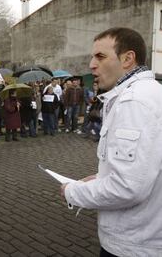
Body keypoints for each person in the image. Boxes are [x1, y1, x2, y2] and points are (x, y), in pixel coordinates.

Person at [61, 27, 162, 257]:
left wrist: (73, 192)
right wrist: (98, 179)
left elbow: (128, 187)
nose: (91, 65)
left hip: (132, 245)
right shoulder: (151, 93)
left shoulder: (133, 102)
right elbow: (146, 167)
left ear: (128, 59)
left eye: (100, 56)